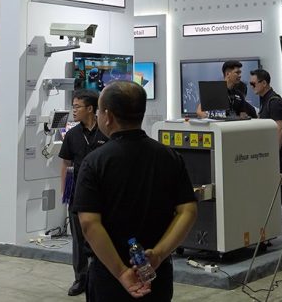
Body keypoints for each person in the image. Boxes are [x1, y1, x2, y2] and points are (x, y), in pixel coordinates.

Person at [73, 81, 197, 301]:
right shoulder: (170, 157)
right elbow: (188, 210)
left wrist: (121, 271)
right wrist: (158, 254)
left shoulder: (94, 162)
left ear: (108, 116)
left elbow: (89, 224)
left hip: (109, 276)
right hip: (155, 273)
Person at [59, 89, 110, 296]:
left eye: (77, 107)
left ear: (90, 109)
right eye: (73, 107)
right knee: (79, 240)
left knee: (102, 236)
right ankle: (81, 278)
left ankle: (104, 276)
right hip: (78, 194)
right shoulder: (72, 135)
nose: (73, 111)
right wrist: (65, 191)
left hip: (103, 195)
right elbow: (65, 163)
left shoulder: (106, 132)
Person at [249, 68, 282, 231]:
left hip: (274, 151)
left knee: (278, 184)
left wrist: (274, 154)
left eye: (253, 83)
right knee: (279, 184)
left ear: (264, 83)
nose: (252, 87)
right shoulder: (266, 100)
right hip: (270, 151)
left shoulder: (273, 102)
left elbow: (279, 129)